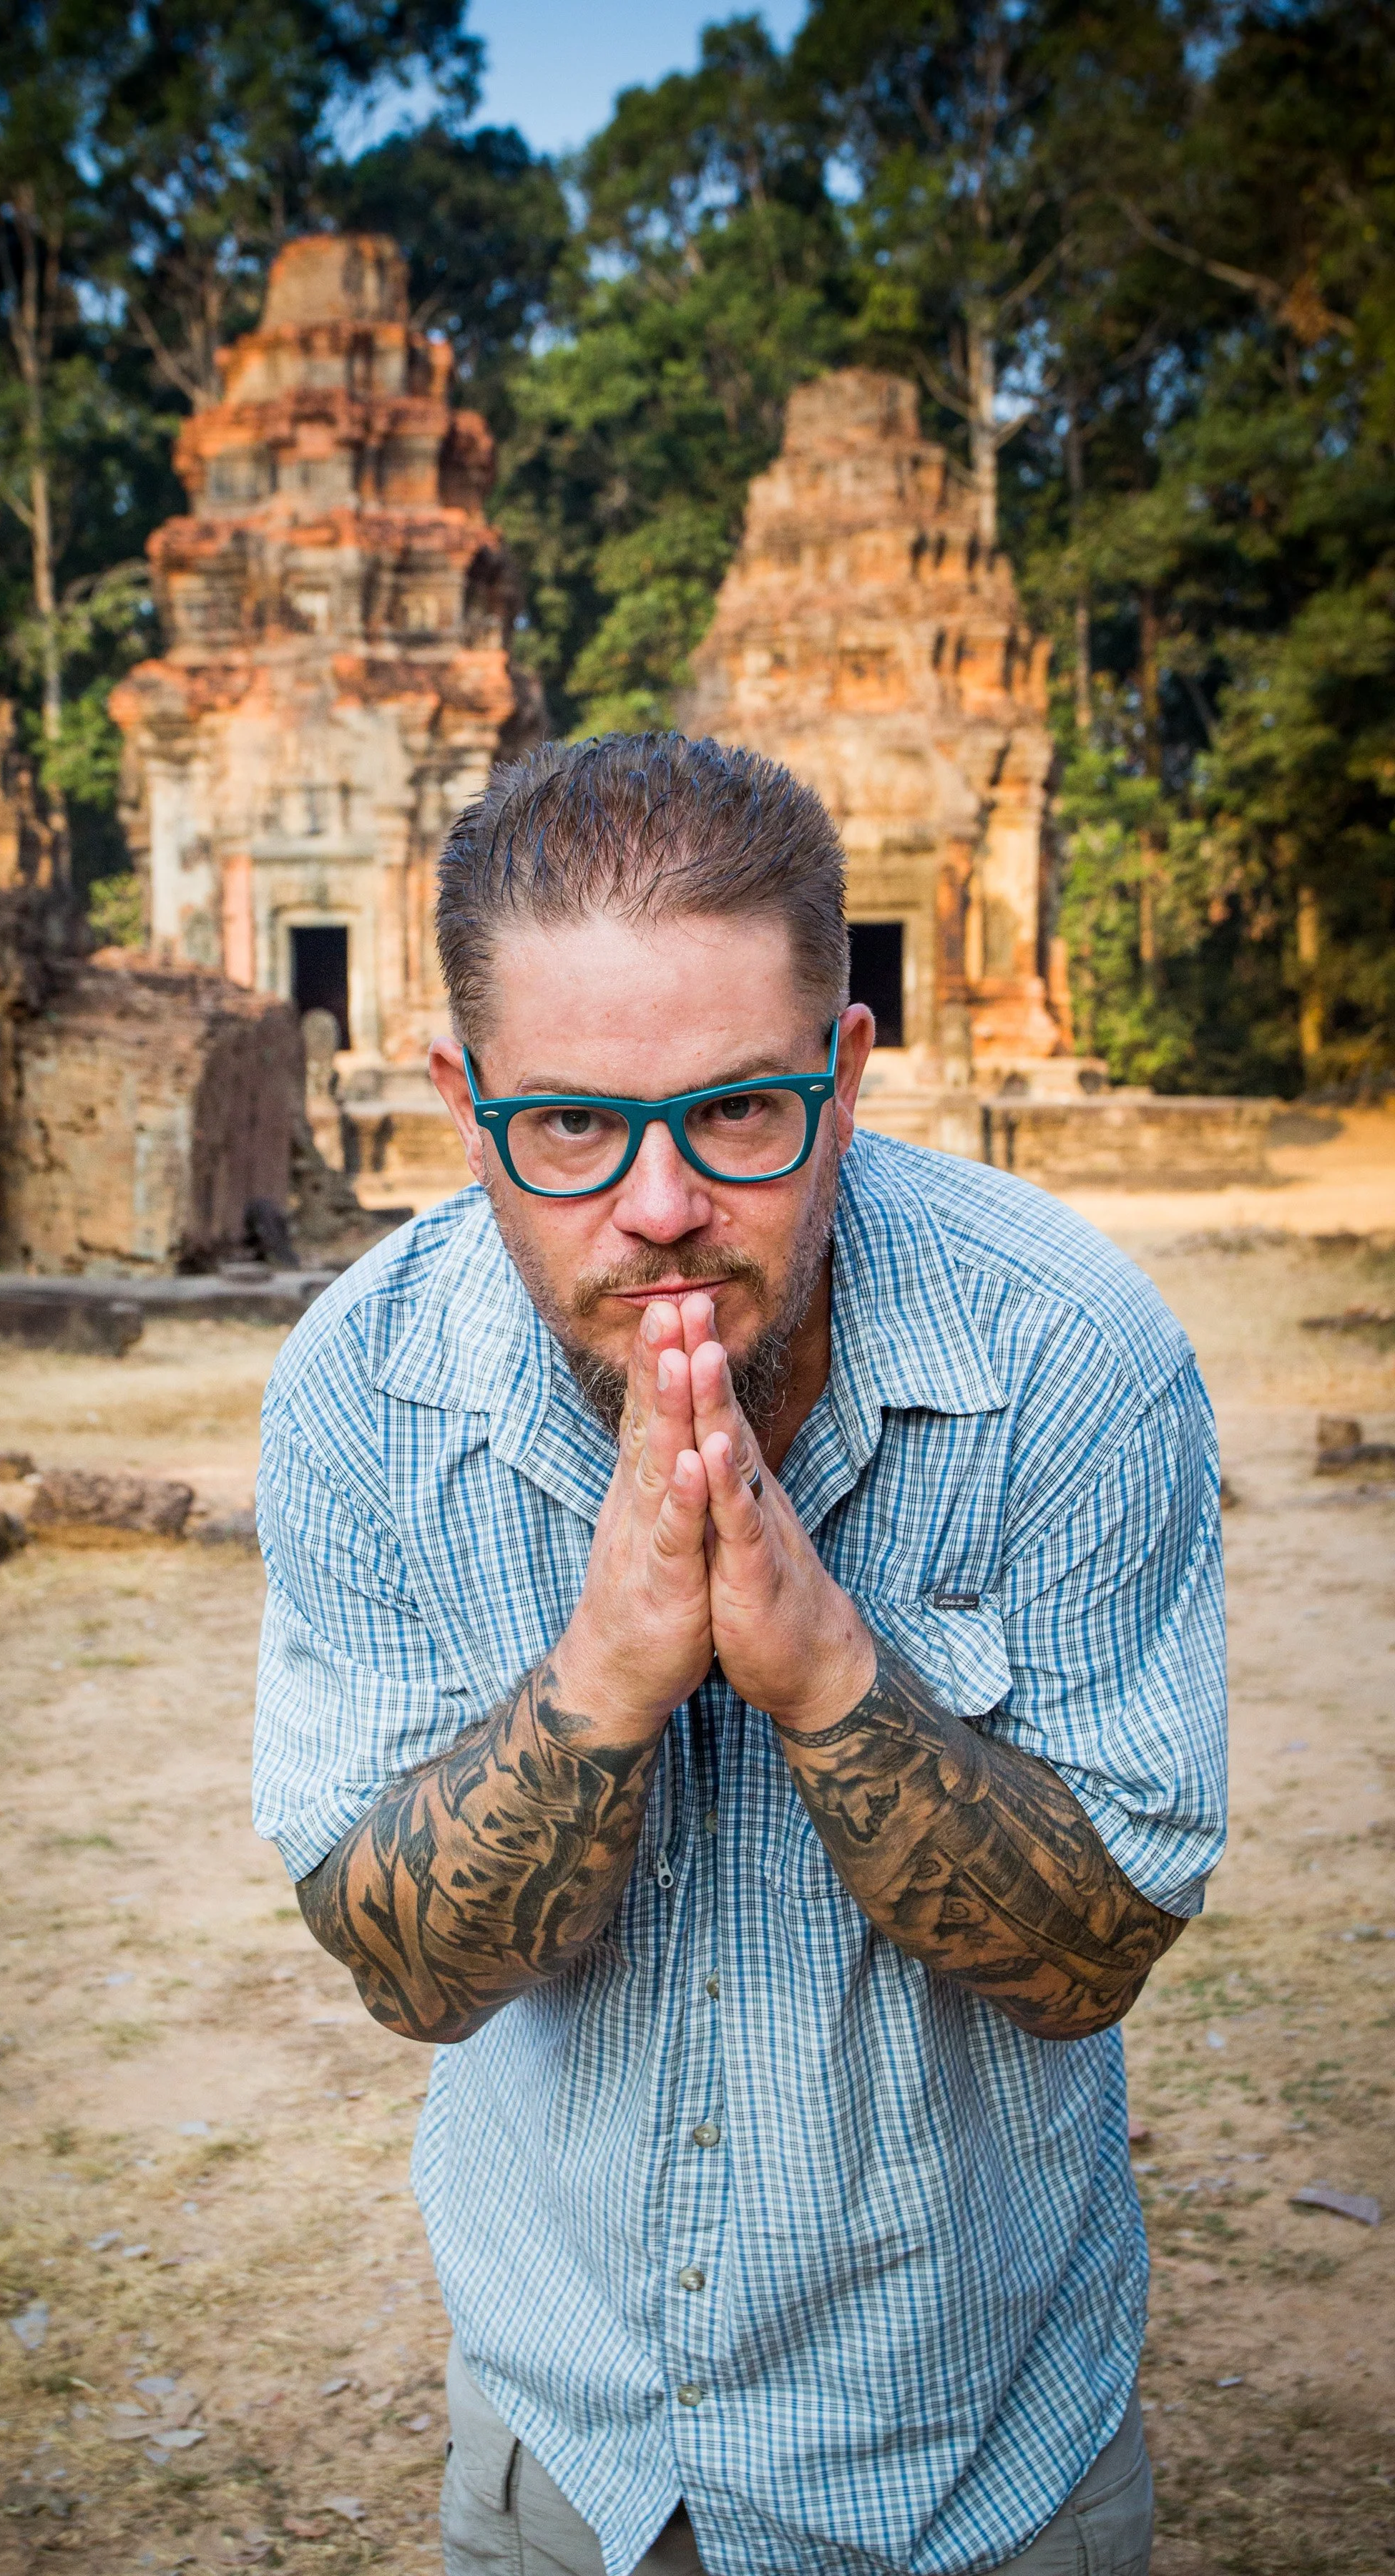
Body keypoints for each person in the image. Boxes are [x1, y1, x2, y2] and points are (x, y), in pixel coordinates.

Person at [252, 733, 1226, 2576]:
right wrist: (604, 1685)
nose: (659, 1207)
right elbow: (406, 1974)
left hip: (979, 2458)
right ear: (465, 1104)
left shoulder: (1077, 1358)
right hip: (570, 2454)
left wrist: (829, 1681)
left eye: (740, 1113)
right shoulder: (364, 1393)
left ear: (847, 1075)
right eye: (568, 1126)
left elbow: (1096, 1961)